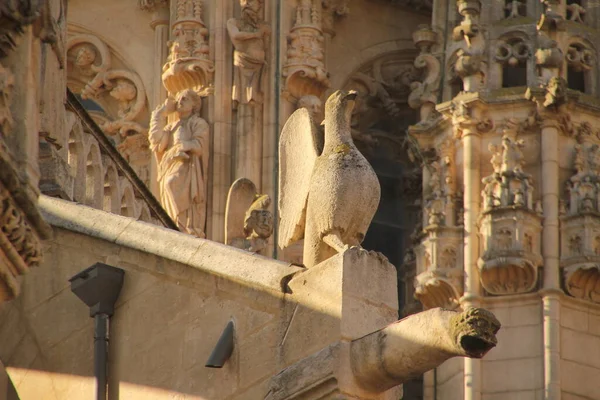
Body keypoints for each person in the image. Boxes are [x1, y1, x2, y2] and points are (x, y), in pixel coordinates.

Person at [148, 89, 209, 237]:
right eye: (179, 99)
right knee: (168, 186)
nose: (180, 102)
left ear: (194, 105)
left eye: (185, 99)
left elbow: (199, 145)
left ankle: (186, 225)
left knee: (171, 183)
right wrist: (160, 113)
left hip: (186, 165)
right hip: (169, 164)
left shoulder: (198, 123)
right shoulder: (171, 127)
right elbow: (156, 142)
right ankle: (174, 222)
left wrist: (182, 147)